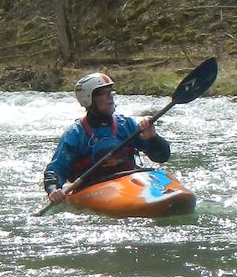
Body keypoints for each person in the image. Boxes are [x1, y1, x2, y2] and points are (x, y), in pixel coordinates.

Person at [42, 72, 172, 204]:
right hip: (94, 188)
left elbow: (162, 157)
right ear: (89, 99)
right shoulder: (76, 134)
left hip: (130, 183)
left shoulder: (126, 125)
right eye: (103, 93)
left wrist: (153, 138)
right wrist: (54, 190)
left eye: (110, 92)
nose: (110, 97)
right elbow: (55, 170)